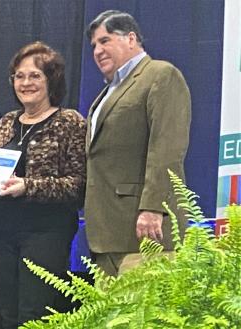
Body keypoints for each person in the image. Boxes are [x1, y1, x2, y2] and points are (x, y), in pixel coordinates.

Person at [84, 10, 191, 277]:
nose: (98, 51)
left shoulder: (160, 75)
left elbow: (167, 150)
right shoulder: (106, 93)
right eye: (94, 45)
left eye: (105, 40)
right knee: (109, 318)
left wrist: (153, 208)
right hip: (107, 235)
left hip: (145, 229)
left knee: (146, 317)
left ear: (131, 38)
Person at [0, 41, 86, 329]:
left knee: (35, 317)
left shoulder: (69, 122)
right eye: (19, 76)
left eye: (35, 76)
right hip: (3, 231)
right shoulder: (6, 121)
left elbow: (78, 186)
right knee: (7, 316)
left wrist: (27, 187)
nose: (26, 83)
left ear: (51, 80)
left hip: (47, 232)